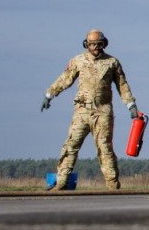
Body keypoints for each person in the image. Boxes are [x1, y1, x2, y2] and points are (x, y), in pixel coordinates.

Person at [41, 29, 139, 191]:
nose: (95, 48)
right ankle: (61, 183)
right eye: (92, 44)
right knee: (70, 146)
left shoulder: (112, 63)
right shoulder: (78, 61)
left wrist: (131, 105)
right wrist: (49, 94)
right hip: (81, 111)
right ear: (86, 44)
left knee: (104, 148)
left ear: (104, 44)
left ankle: (113, 185)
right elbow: (65, 79)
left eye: (99, 44)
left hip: (103, 112)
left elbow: (122, 85)